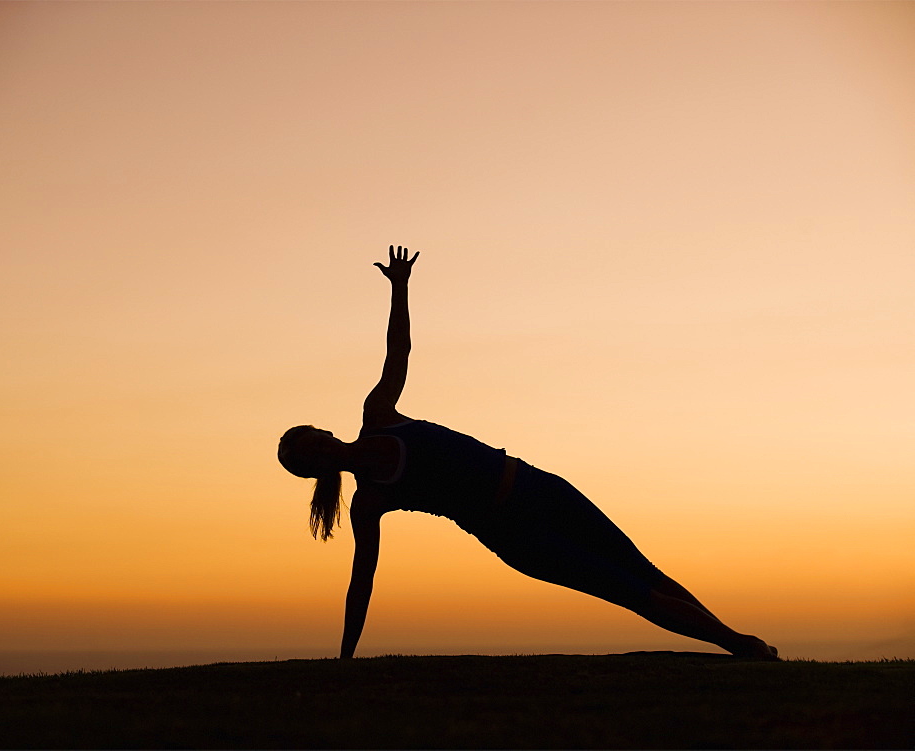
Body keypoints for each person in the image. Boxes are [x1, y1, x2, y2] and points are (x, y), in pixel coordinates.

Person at [278, 246, 779, 661]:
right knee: (628, 590)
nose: (322, 448)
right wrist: (344, 658)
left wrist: (399, 287)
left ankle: (737, 643)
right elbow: (361, 580)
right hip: (514, 534)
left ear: (323, 430)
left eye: (314, 437)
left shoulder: (379, 414)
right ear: (314, 472)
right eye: (311, 456)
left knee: (648, 572)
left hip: (535, 484)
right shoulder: (368, 502)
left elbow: (399, 351)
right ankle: (741, 647)